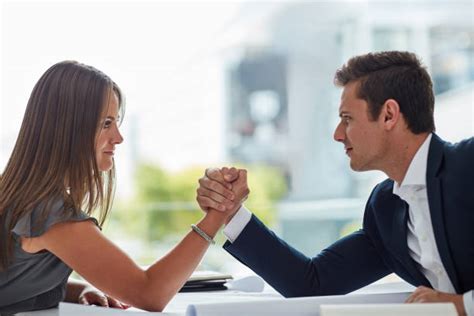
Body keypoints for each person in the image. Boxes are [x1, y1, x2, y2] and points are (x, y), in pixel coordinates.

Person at [196, 51, 474, 316]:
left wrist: (462, 305)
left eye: (347, 119)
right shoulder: (386, 208)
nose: (337, 134)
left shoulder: (468, 164)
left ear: (389, 115)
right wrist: (232, 212)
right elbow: (312, 283)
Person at [0, 61, 228, 314]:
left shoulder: (22, 196)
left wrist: (81, 290)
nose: (118, 137)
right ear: (70, 129)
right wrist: (218, 214)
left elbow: (15, 284)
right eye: (107, 123)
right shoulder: (51, 216)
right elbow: (150, 293)